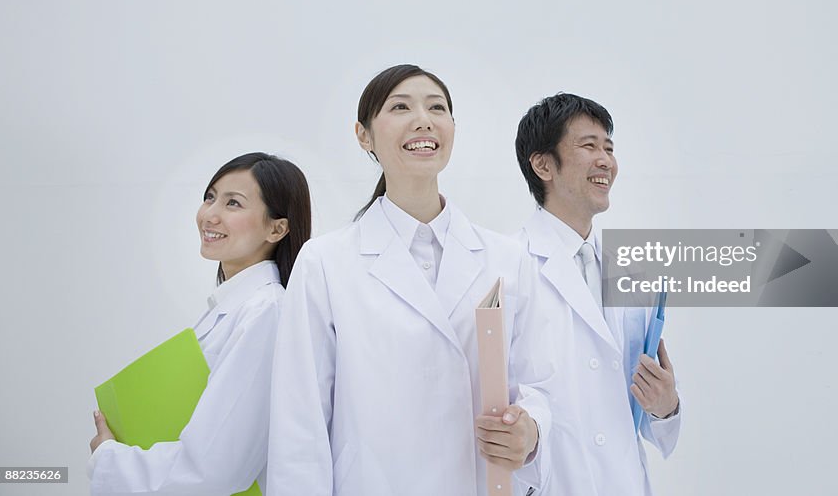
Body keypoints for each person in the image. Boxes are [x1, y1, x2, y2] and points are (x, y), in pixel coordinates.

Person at [266, 64, 552, 496]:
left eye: (437, 107)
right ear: (364, 135)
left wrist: (531, 430)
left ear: (452, 128)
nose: (423, 119)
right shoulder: (326, 262)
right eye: (400, 106)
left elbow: (541, 383)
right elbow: (298, 425)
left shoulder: (507, 259)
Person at [88, 152, 312, 495]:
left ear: (277, 228)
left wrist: (110, 458)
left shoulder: (266, 312)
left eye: (233, 203)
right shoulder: (236, 307)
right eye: (210, 197)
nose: (210, 215)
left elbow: (216, 468)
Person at [514, 93, 681, 495]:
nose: (606, 160)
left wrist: (665, 406)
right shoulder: (507, 267)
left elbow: (645, 417)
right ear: (543, 165)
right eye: (588, 146)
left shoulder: (632, 273)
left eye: (609, 147)